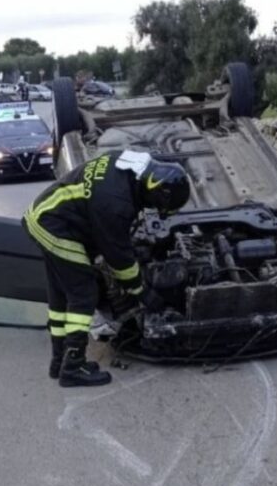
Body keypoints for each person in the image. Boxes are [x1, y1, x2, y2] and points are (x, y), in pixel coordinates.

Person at [22, 150, 191, 387]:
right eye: (160, 207)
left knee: (61, 295)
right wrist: (142, 293)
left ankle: (59, 362)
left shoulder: (125, 163)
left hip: (43, 215)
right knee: (84, 293)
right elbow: (119, 259)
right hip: (53, 225)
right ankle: (73, 367)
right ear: (157, 193)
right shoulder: (116, 204)